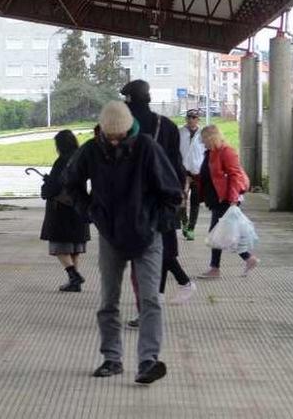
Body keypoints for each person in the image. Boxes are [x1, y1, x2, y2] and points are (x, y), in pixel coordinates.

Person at [65, 100, 182, 385]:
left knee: (151, 300)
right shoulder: (92, 150)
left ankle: (148, 362)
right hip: (111, 236)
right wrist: (92, 211)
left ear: (129, 129)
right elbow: (70, 183)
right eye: (110, 136)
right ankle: (112, 358)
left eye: (120, 135)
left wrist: (155, 224)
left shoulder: (146, 148)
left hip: (147, 236)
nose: (115, 141)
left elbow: (172, 193)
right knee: (108, 300)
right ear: (102, 131)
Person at [121, 80, 196, 316]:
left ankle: (154, 302)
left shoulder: (125, 125)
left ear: (130, 100)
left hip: (134, 201)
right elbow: (176, 165)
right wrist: (180, 195)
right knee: (161, 250)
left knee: (143, 256)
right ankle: (158, 299)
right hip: (164, 198)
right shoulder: (168, 126)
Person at [195, 125, 259, 278]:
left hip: (225, 200)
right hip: (216, 199)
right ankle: (248, 259)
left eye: (204, 139)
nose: (203, 143)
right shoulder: (210, 152)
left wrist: (232, 199)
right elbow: (208, 175)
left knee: (217, 234)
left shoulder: (226, 152)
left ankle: (215, 268)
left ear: (212, 137)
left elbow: (235, 175)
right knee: (223, 234)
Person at [40, 130, 91, 292]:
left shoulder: (62, 161)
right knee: (75, 246)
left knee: (60, 245)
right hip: (79, 207)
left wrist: (47, 184)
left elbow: (55, 185)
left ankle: (73, 275)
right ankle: (73, 282)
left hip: (61, 209)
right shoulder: (81, 158)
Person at [179, 109, 205, 241]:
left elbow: (206, 153)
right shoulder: (180, 132)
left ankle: (191, 228)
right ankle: (184, 222)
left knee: (195, 202)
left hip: (197, 172)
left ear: (198, 119)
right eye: (189, 117)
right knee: (180, 200)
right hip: (182, 172)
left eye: (194, 117)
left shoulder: (202, 134)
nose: (191, 119)